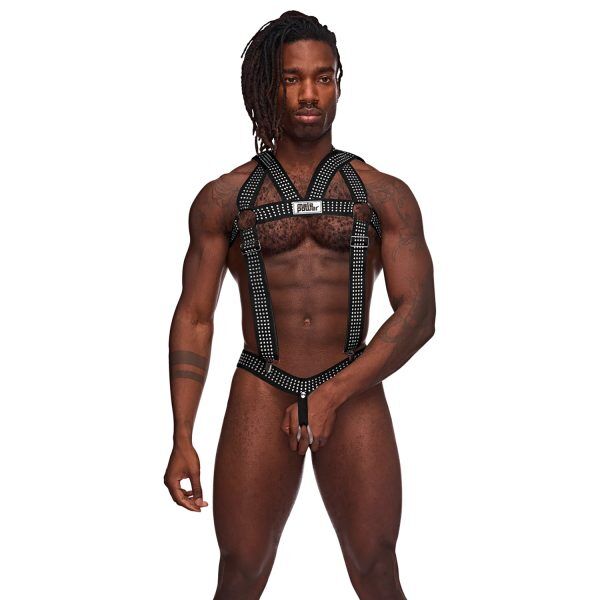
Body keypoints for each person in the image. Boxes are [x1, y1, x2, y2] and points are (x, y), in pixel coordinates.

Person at [164, 10, 436, 600]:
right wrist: (182, 435)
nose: (310, 93)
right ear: (270, 86)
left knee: (376, 566)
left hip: (352, 382)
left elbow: (418, 314)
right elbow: (195, 316)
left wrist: (332, 394)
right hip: (263, 384)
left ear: (338, 83)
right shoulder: (223, 199)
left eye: (322, 77)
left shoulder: (384, 195)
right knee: (241, 569)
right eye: (292, 79)